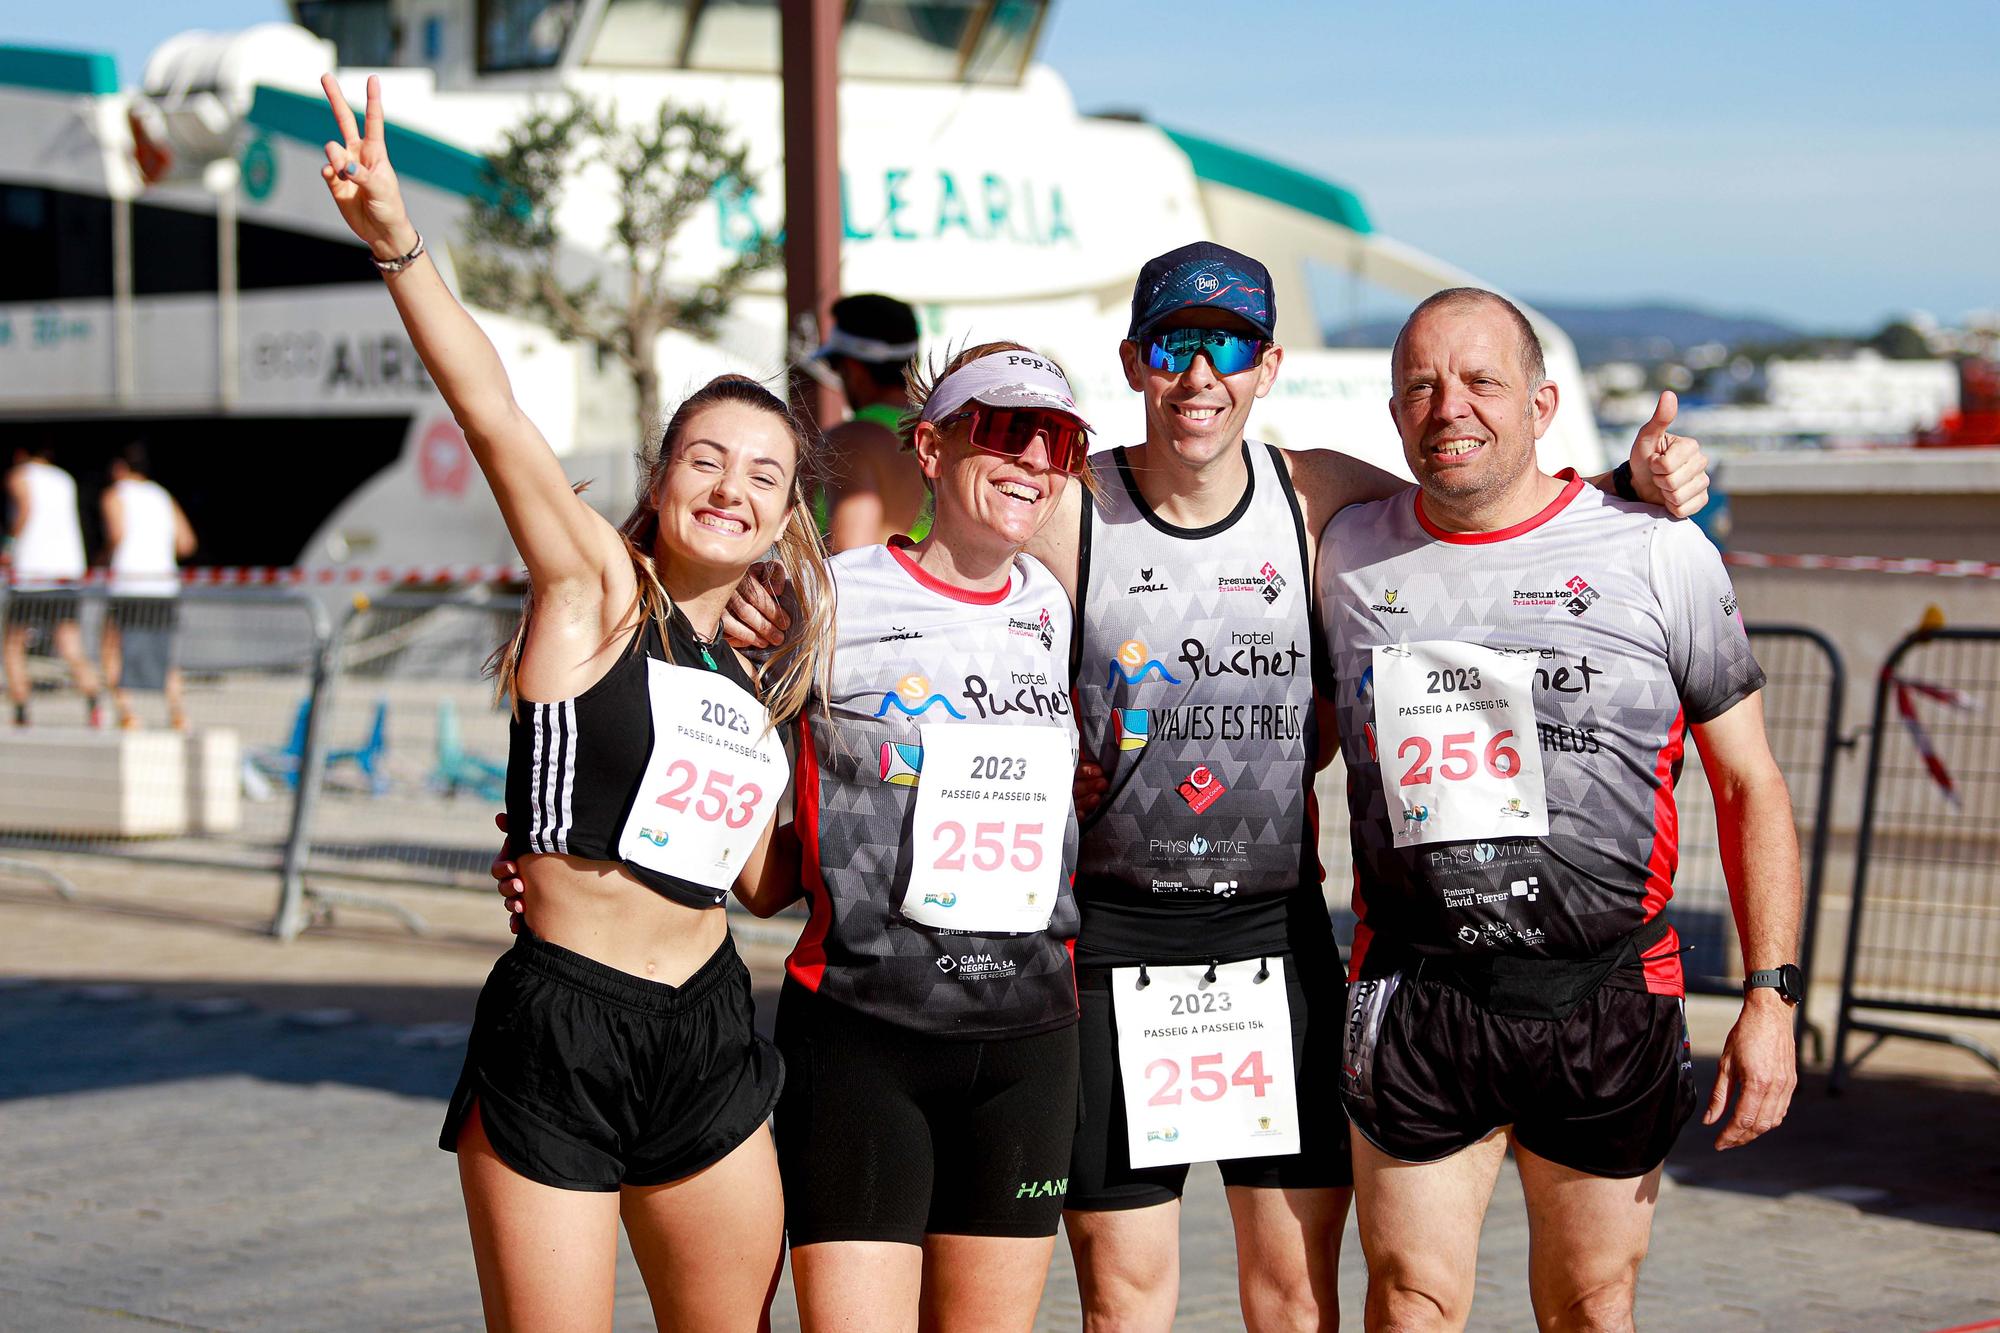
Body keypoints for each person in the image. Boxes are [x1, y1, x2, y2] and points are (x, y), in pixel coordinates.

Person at [730, 241, 1712, 1332]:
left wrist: (1627, 489)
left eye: (1228, 344)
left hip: (1271, 938)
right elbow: (952, 577)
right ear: (1136, 361)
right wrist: (775, 609)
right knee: (1125, 1299)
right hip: (1108, 948)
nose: (1199, 372)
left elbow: (1473, 512)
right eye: (1174, 344)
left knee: (1292, 1299)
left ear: (1266, 365)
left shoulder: (1315, 492)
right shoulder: (1067, 503)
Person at [314, 73, 835, 1331]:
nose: (729, 485)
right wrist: (400, 246)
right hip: (563, 1026)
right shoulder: (593, 589)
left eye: (761, 475)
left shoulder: (767, 668)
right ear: (658, 479)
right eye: (702, 458)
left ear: (784, 514)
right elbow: (492, 415)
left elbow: (758, 885)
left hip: (712, 1028)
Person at [1319, 288, 1800, 1331]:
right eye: (1419, 386)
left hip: (1602, 990)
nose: (1448, 406)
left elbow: (1747, 782)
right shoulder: (1345, 553)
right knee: (1407, 1303)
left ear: (1541, 403)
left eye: (1479, 381)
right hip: (1418, 987)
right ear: (1393, 414)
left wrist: (1769, 997)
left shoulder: (1657, 550)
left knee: (1589, 1305)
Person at [763, 343, 1094, 1331]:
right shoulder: (825, 595)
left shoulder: (1058, 604)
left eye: (1059, 440)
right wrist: (560, 844)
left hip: (1028, 1040)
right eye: (1001, 429)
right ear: (929, 446)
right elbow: (690, 710)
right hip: (865, 1034)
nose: (1032, 457)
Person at [810, 293, 932, 551]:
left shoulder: (854, 439)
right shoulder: (941, 432)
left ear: (853, 371)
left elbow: (851, 559)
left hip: (867, 591)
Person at [98, 444, 198, 730]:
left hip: (129, 583)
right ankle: (178, 712)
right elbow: (187, 543)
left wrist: (103, 558)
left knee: (112, 648)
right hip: (163, 585)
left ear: (119, 468)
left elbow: (117, 533)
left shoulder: (115, 495)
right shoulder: (162, 496)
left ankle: (126, 711)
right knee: (161, 651)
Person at [4, 442, 103, 728]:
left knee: (13, 644)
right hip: (65, 573)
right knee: (70, 645)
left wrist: (8, 546)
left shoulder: (20, 476)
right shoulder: (64, 479)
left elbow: (25, 508)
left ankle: (21, 708)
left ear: (20, 454)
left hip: (31, 574)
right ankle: (94, 699)